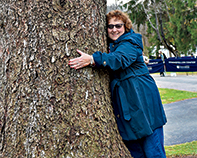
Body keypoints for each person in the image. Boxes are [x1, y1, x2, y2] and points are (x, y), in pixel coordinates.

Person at [68, 10, 167, 158]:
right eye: (110, 26)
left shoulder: (131, 42)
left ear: (125, 26)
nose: (114, 29)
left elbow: (119, 59)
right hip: (127, 109)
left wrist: (93, 59)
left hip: (145, 106)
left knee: (154, 152)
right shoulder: (112, 45)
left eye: (118, 25)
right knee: (135, 153)